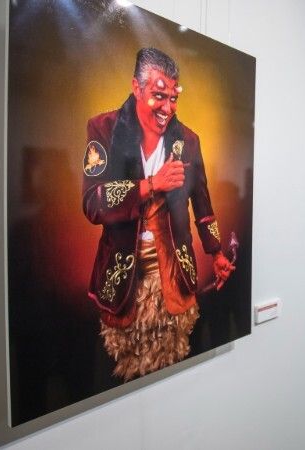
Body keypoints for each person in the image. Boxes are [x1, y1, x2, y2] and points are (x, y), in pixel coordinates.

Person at [82, 48, 235, 381]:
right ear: (137, 88)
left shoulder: (189, 141)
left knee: (175, 374)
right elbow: (93, 202)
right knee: (118, 378)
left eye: (174, 98)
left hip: (175, 280)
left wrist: (217, 253)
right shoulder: (104, 129)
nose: (168, 108)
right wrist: (151, 184)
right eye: (158, 96)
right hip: (123, 284)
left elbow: (204, 207)